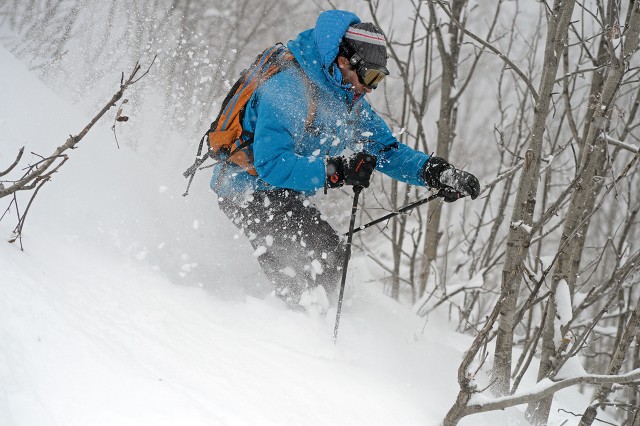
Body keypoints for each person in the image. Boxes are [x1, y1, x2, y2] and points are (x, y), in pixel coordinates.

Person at [211, 10, 480, 312]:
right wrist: (337, 170)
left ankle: (297, 321)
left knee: (330, 255)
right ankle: (286, 327)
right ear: (343, 61)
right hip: (244, 188)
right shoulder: (288, 87)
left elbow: (386, 151)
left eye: (378, 79)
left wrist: (433, 172)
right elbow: (272, 164)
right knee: (315, 258)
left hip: (280, 192)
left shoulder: (347, 101)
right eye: (369, 76)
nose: (370, 88)